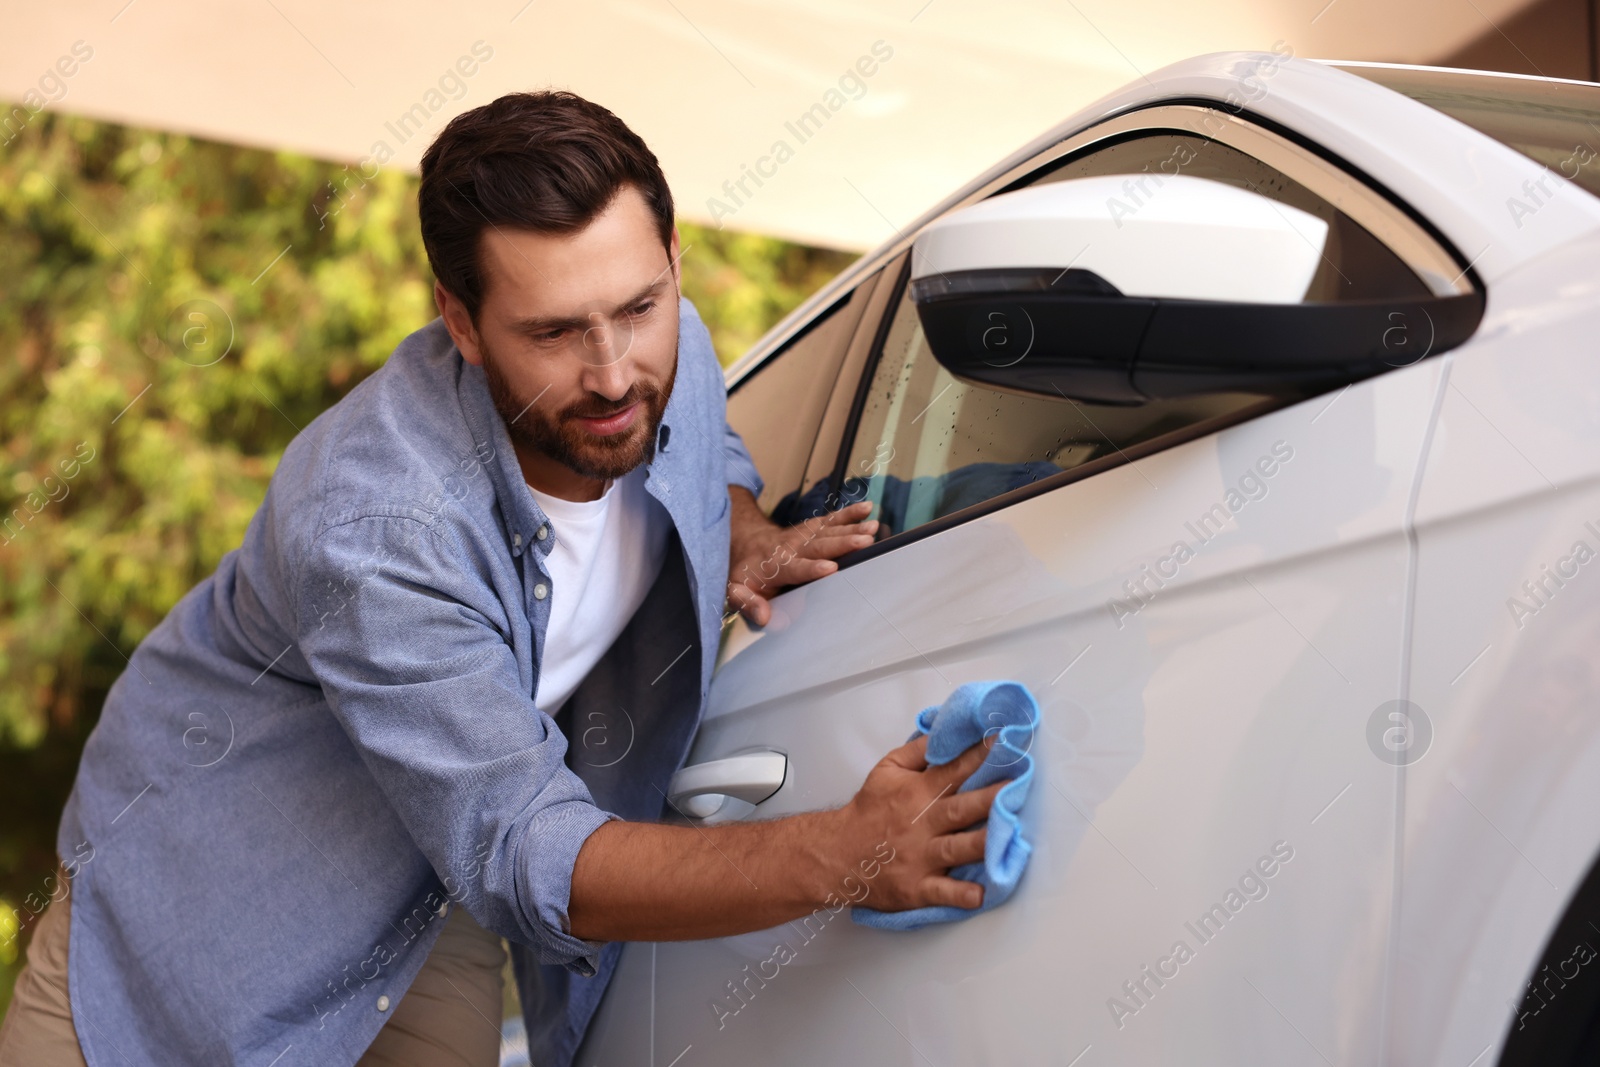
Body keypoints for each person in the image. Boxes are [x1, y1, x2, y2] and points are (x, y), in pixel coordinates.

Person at [0, 91, 1002, 1067]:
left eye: (639, 307)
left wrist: (736, 523)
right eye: (555, 333)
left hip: (433, 899)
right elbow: (527, 845)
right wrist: (844, 852)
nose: (613, 372)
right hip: (215, 917)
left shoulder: (672, 349)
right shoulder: (374, 525)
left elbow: (705, 443)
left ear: (671, 267)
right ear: (463, 323)